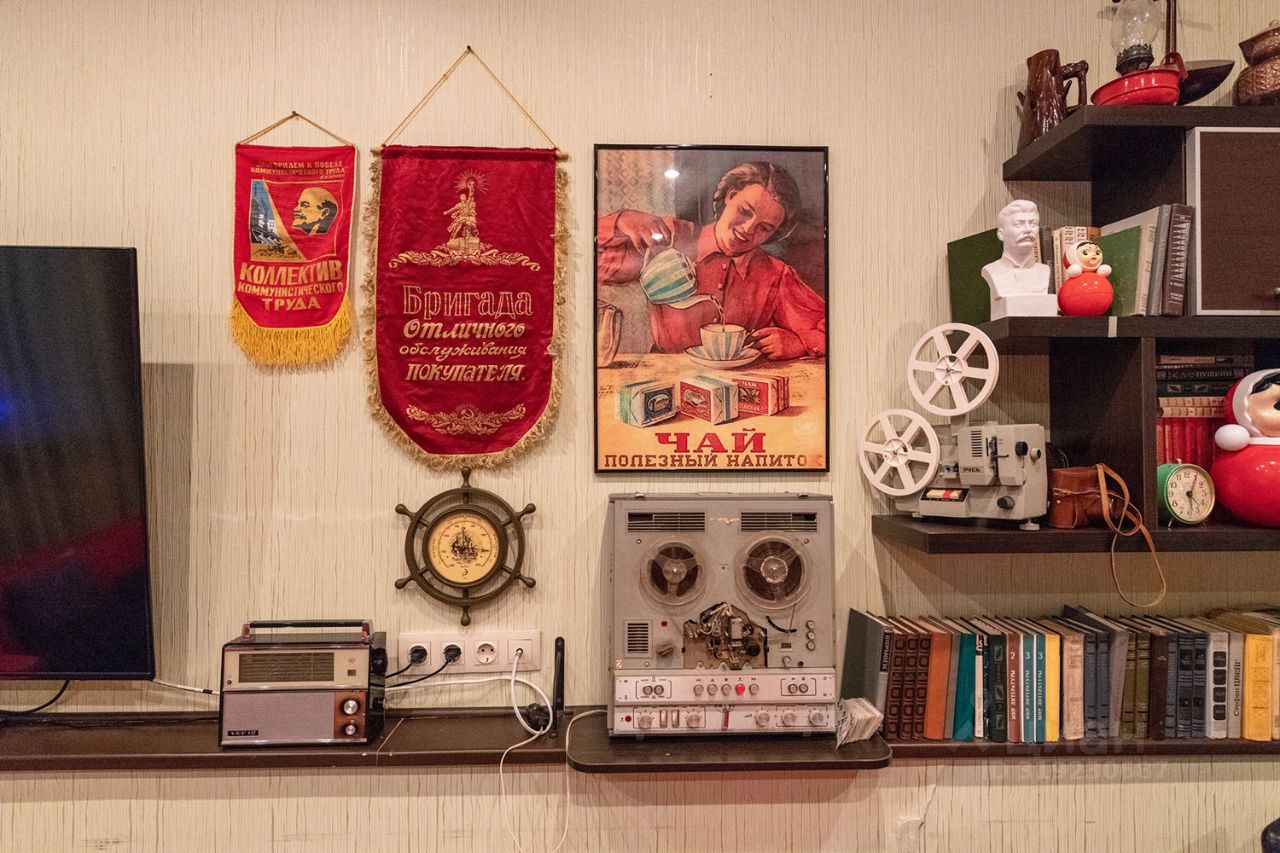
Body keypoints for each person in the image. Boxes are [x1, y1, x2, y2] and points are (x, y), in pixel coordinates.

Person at [596, 161, 825, 360]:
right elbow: (592, 264)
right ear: (730, 195)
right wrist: (620, 221)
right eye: (745, 211)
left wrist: (799, 342)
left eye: (764, 228)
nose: (748, 229)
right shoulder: (670, 237)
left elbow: (831, 327)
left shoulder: (776, 274)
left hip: (739, 380)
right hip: (669, 373)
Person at [980, 199, 1053, 317]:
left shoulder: (1044, 271)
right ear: (1001, 234)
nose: (1028, 229)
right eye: (1018, 225)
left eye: (1033, 224)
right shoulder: (992, 271)